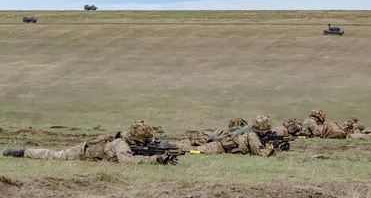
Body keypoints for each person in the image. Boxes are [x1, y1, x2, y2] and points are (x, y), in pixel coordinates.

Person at [2, 120, 178, 164]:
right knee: (55, 155)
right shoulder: (121, 144)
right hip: (82, 152)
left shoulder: (136, 143)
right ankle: (21, 152)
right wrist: (155, 160)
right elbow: (128, 161)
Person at [195, 115, 278, 156]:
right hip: (221, 147)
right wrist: (271, 147)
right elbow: (260, 153)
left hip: (223, 146)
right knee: (195, 151)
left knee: (198, 150)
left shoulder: (250, 131)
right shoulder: (252, 135)